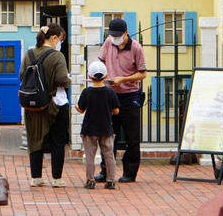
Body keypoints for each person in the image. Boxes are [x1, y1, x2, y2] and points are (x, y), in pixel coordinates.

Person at [95, 17, 147, 183]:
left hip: (130, 95)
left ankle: (130, 172)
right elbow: (101, 62)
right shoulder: (108, 43)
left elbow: (143, 73)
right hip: (110, 95)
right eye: (112, 35)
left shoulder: (136, 48)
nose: (115, 38)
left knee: (132, 136)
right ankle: (106, 171)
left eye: (118, 35)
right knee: (108, 135)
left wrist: (122, 79)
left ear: (126, 33)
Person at [19, 24, 70, 187]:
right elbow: (62, 79)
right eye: (60, 40)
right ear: (54, 38)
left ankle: (36, 177)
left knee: (35, 139)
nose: (60, 43)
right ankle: (56, 178)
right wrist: (69, 79)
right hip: (55, 104)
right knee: (57, 140)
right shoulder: (57, 56)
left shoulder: (29, 54)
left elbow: (22, 76)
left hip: (33, 104)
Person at [77, 60, 120, 190]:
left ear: (89, 77)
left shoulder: (86, 92)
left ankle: (90, 180)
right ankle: (111, 180)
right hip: (106, 127)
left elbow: (81, 109)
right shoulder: (110, 92)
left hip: (89, 128)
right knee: (109, 155)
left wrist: (75, 107)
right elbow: (116, 110)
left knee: (90, 155)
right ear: (106, 76)